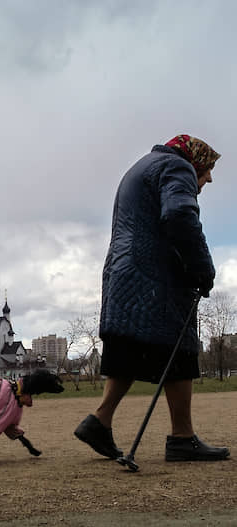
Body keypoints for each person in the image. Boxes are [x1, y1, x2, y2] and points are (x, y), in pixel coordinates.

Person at [74, 134, 230, 462]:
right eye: (208, 170)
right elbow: (179, 215)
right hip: (154, 275)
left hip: (124, 272)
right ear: (195, 162)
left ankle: (99, 421)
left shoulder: (142, 167)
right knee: (180, 349)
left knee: (130, 347)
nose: (210, 178)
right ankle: (182, 438)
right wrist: (202, 266)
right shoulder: (177, 167)